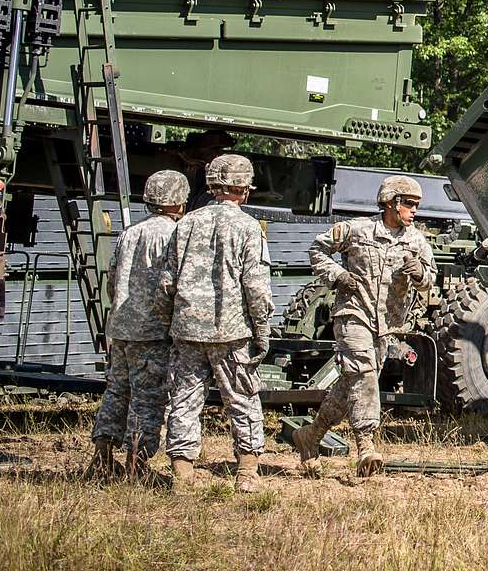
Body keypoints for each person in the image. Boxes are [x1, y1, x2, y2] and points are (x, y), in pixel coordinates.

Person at [291, 174, 434, 477]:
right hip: (353, 315)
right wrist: (338, 275)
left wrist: (419, 272)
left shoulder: (416, 240)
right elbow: (317, 249)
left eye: (417, 205)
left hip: (386, 326)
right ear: (392, 203)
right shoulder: (358, 229)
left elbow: (429, 281)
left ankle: (310, 437)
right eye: (409, 203)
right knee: (365, 376)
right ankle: (366, 445)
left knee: (352, 384)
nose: (414, 210)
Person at [159, 154, 273, 494]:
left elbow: (166, 283)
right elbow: (256, 285)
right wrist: (262, 329)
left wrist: (171, 322)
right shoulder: (249, 227)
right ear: (244, 190)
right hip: (232, 332)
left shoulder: (185, 224)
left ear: (210, 186)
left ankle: (182, 475)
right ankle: (247, 473)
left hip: (188, 330)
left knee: (184, 400)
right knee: (243, 399)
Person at [89, 170, 191, 478]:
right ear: (179, 202)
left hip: (121, 328)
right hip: (152, 332)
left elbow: (111, 279)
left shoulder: (129, 232)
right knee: (147, 398)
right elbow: (171, 284)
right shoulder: (174, 234)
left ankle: (102, 456)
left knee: (117, 392)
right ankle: (138, 465)